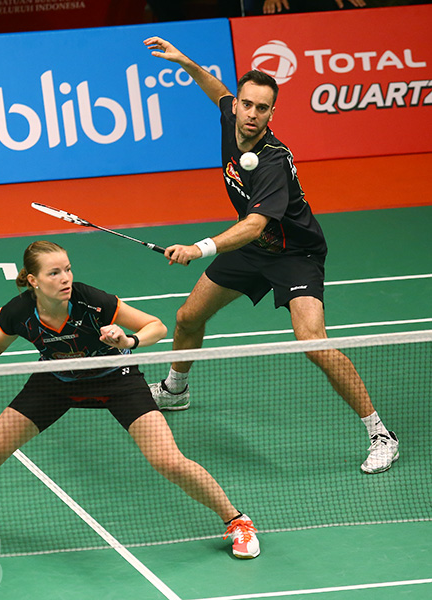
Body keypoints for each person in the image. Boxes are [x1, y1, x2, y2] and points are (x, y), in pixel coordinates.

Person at [0, 241, 259, 559]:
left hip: (116, 379)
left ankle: (238, 522)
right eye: (54, 273)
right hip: (55, 381)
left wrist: (127, 341)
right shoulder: (20, 311)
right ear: (33, 280)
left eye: (68, 269)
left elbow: (156, 326)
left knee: (168, 461)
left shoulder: (91, 301)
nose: (66, 278)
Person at [143, 36, 399, 475]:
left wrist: (199, 248)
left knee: (313, 342)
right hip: (252, 251)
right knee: (187, 318)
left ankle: (381, 434)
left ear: (271, 114)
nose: (251, 114)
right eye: (246, 104)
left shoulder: (273, 161)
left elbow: (253, 225)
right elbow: (216, 90)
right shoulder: (232, 116)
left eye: (261, 108)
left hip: (294, 253)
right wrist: (185, 60)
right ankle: (175, 389)